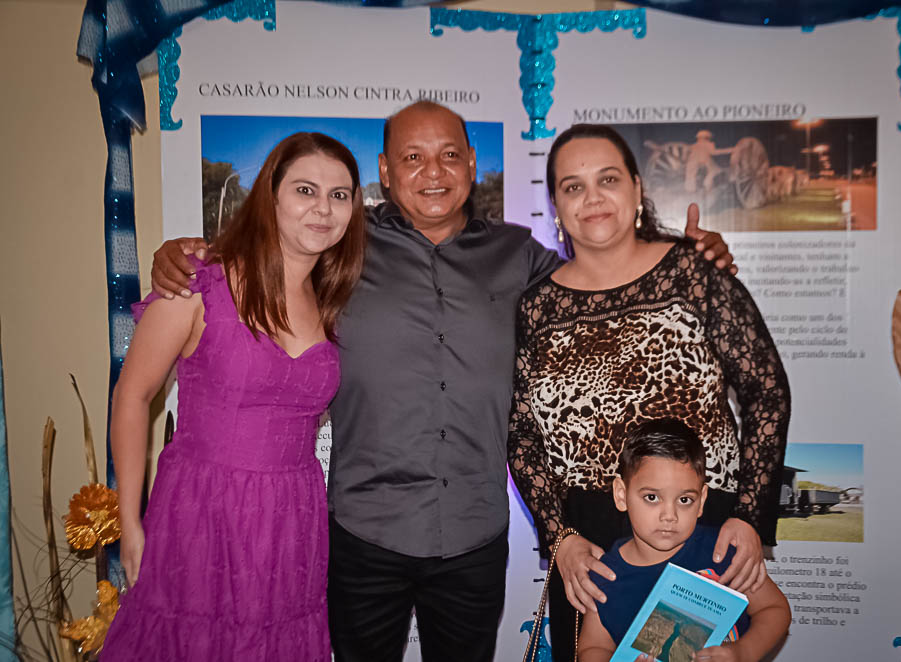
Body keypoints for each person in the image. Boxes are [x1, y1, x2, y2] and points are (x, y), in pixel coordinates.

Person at [150, 101, 734, 662]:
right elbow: (261, 257)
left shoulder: (520, 255)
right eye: (413, 158)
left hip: (473, 538)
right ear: (384, 170)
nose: (434, 172)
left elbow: (612, 279)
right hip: (363, 533)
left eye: (450, 155)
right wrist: (181, 254)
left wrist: (687, 256)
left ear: (473, 164)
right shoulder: (339, 246)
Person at [507, 123, 790, 661]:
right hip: (588, 546)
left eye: (607, 179)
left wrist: (751, 519)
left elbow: (766, 392)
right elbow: (521, 433)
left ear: (637, 189)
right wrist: (559, 538)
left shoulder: (694, 273)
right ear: (556, 206)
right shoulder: (536, 307)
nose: (592, 198)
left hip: (698, 524)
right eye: (572, 186)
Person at [101, 132, 367, 661]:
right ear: (270, 197)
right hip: (202, 509)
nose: (323, 208)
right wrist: (129, 520)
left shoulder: (335, 298)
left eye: (339, 195)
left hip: (292, 517)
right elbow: (133, 395)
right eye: (305, 190)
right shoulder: (200, 282)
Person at [577, 419, 791, 662]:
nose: (670, 515)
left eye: (685, 500)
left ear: (701, 501)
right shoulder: (605, 574)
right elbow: (592, 649)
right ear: (621, 494)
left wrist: (743, 652)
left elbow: (774, 610)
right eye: (651, 497)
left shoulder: (722, 553)